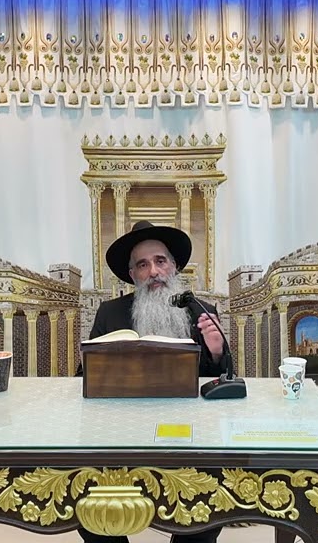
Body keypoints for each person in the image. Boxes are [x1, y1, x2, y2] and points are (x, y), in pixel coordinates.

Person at [80, 220, 225, 543]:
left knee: (205, 507)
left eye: (160, 261)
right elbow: (83, 377)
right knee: (90, 506)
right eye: (143, 265)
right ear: (132, 274)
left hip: (187, 432)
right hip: (119, 432)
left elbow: (224, 381)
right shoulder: (110, 313)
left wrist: (216, 353)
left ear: (174, 267)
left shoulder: (201, 311)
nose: (154, 271)